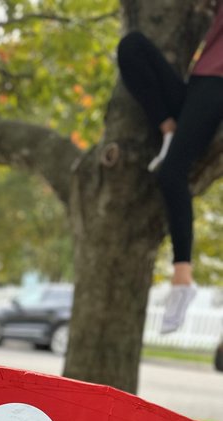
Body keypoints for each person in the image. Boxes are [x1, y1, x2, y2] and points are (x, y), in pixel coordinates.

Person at [117, 2, 223, 334]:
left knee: (171, 173)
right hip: (201, 82)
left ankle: (183, 276)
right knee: (131, 46)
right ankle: (168, 130)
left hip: (219, 87)